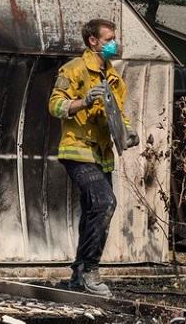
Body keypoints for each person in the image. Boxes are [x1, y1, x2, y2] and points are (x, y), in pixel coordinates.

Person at [48, 18, 139, 295]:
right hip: (77, 149)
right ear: (93, 41)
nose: (114, 43)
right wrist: (84, 101)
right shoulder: (74, 69)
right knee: (104, 202)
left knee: (93, 211)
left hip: (102, 155)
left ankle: (78, 274)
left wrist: (129, 132)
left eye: (114, 38)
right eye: (109, 39)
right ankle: (90, 270)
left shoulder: (114, 78)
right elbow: (55, 105)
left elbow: (118, 114)